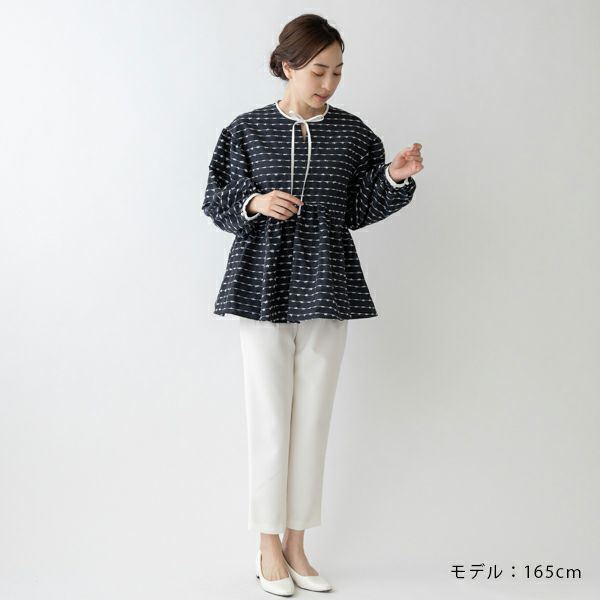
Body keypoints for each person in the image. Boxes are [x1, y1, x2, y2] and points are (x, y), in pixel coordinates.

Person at [202, 13, 423, 596]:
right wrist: (253, 202)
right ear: (287, 66)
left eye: (338, 71)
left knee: (313, 418)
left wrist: (394, 178)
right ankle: (266, 545)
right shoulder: (247, 130)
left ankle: (298, 544)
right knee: (269, 416)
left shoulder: (354, 134)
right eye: (319, 70)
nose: (329, 82)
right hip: (262, 281)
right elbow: (214, 197)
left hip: (328, 280)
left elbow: (359, 207)